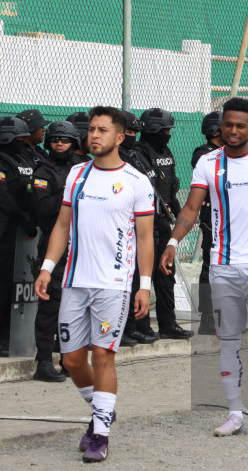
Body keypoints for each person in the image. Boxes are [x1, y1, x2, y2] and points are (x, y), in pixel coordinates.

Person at [160, 98, 248, 437]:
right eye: (228, 125)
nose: (233, 130)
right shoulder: (208, 163)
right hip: (222, 267)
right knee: (227, 341)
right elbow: (191, 208)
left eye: (240, 125)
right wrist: (173, 241)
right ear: (220, 127)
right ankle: (235, 414)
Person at [34, 106, 155, 463]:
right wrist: (47, 268)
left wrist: (143, 285)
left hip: (114, 285)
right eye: (91, 130)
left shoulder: (136, 181)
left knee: (102, 355)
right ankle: (103, 409)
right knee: (72, 360)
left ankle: (100, 433)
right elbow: (62, 226)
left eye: (102, 130)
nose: (94, 136)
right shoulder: (77, 173)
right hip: (75, 282)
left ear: (119, 137)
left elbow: (145, 238)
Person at [31, 121, 84, 380]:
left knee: (74, 307)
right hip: (54, 244)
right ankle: (43, 363)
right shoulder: (43, 171)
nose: (60, 143)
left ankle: (69, 360)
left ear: (74, 142)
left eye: (65, 139)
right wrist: (69, 192)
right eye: (55, 139)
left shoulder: (83, 168)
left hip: (81, 244)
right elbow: (42, 209)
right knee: (50, 306)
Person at [135, 108, 192, 340]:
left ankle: (168, 324)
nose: (169, 134)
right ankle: (141, 326)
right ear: (154, 129)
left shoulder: (165, 152)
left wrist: (178, 214)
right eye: (166, 130)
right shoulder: (138, 154)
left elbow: (169, 188)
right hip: (145, 225)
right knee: (143, 277)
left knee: (166, 275)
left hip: (164, 223)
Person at [0, 116, 36, 357]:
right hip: (0, 234)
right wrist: (22, 218)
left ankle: (6, 335)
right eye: (19, 138)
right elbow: (1, 197)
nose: (22, 142)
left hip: (17, 235)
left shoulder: (20, 159)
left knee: (12, 287)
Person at [117, 111, 156, 347]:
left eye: (134, 132)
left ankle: (133, 327)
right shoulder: (117, 158)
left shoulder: (136, 155)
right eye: (128, 132)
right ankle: (124, 328)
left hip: (141, 221)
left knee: (137, 280)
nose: (132, 136)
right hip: (122, 227)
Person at [191, 111, 224, 335]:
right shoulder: (203, 154)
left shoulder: (228, 153)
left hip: (229, 217)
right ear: (216, 130)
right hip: (211, 216)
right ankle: (208, 318)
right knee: (210, 265)